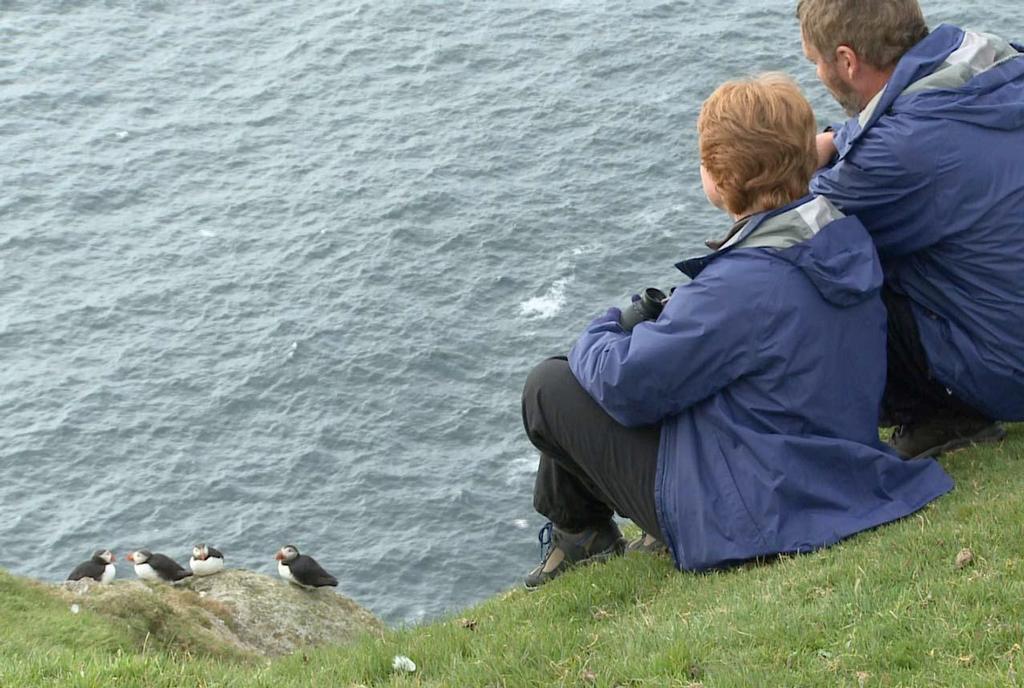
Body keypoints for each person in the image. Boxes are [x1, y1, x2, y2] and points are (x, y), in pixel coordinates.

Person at [520, 74, 953, 588]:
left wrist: (605, 327)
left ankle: (581, 533)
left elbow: (625, 384)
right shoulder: (844, 237)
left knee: (551, 383)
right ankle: (578, 533)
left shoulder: (740, 285)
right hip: (830, 469)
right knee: (654, 368)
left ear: (720, 180)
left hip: (747, 511)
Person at [798, 0, 1024, 458]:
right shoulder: (998, 59)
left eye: (816, 62)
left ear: (846, 60)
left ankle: (944, 411)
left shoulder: (898, 154)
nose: (819, 75)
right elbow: (919, 124)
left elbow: (799, 220)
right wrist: (838, 139)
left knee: (813, 280)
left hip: (1009, 369)